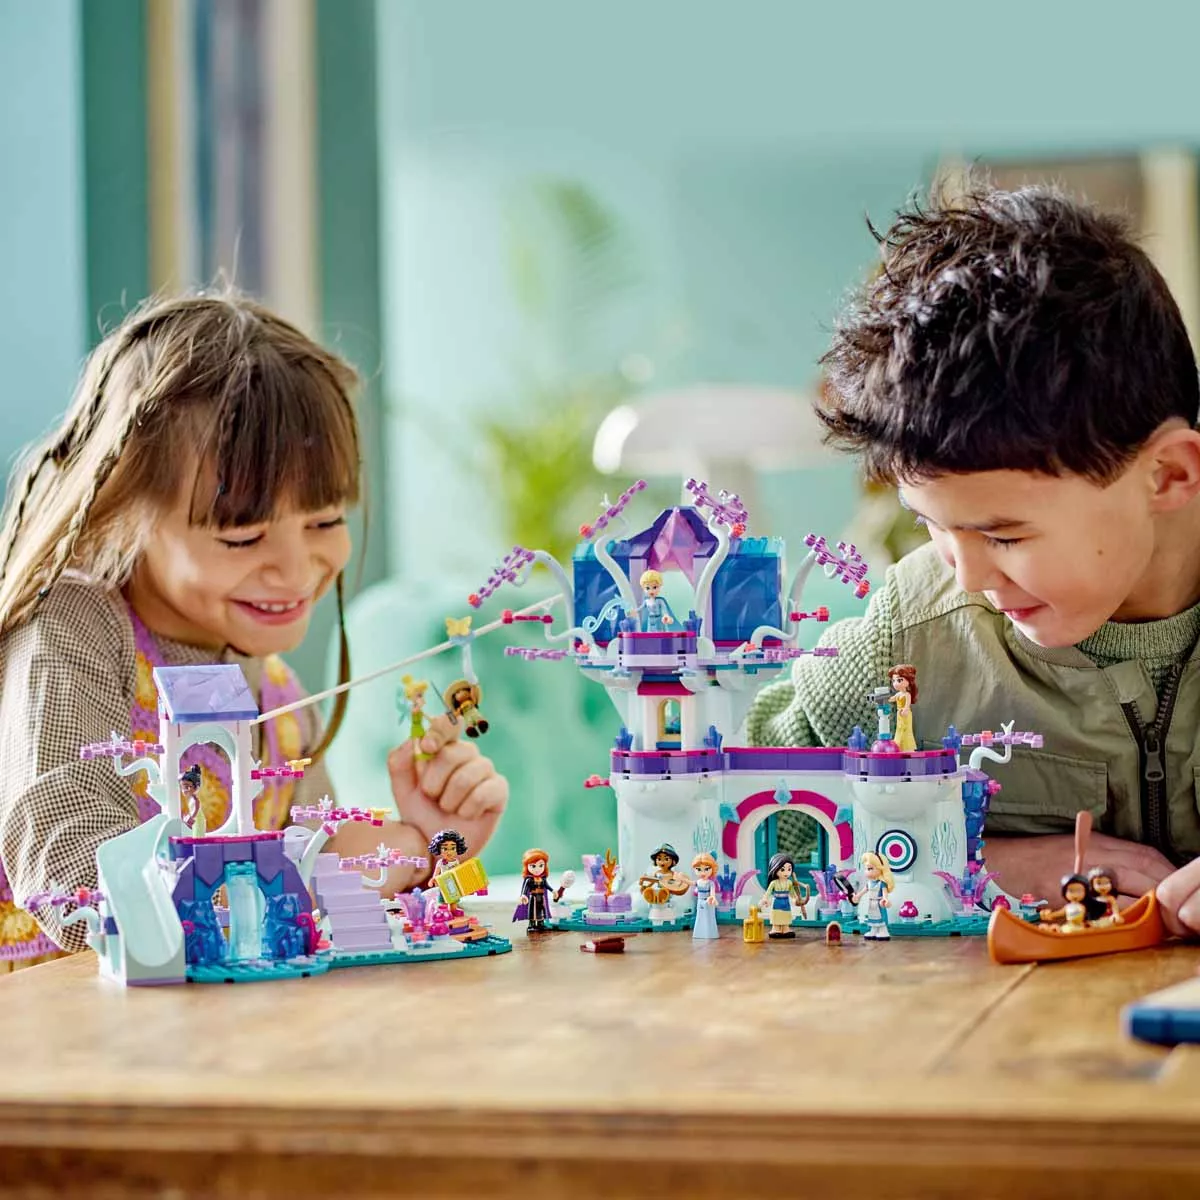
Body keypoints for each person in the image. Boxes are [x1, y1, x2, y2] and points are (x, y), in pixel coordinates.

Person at [0, 291, 508, 970]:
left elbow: (312, 867)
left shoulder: (276, 692)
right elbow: (71, 877)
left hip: (198, 1025)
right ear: (121, 514)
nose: (296, 570)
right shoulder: (75, 624)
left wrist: (427, 843)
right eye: (241, 536)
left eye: (325, 521)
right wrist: (252, 901)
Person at [746, 182, 1200, 937]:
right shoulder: (911, 642)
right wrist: (967, 862)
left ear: (1169, 475)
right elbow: (751, 833)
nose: (968, 577)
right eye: (931, 526)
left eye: (1005, 536)